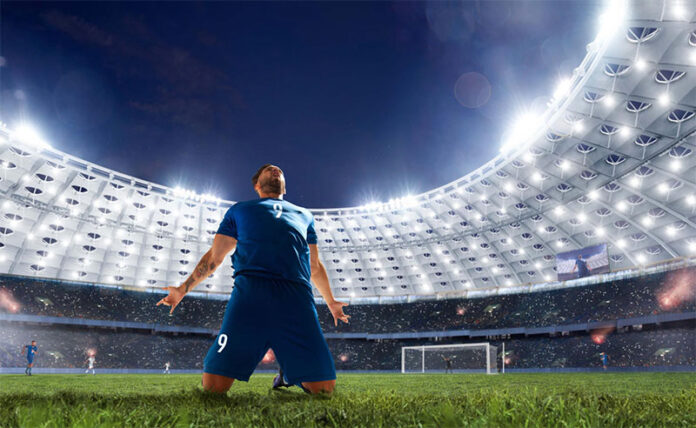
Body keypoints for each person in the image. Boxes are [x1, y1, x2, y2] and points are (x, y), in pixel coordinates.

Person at [157, 164, 350, 395]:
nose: (275, 169)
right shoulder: (239, 210)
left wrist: (330, 301)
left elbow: (314, 265)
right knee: (213, 388)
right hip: (250, 296)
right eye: (268, 169)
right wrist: (182, 289)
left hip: (296, 299)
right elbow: (214, 257)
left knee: (324, 390)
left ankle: (288, 373)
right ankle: (287, 366)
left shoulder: (304, 215)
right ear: (257, 185)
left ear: (285, 187)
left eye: (278, 169)